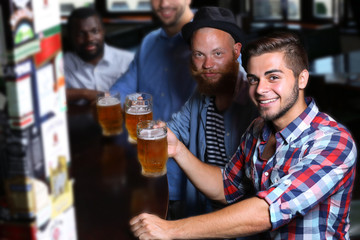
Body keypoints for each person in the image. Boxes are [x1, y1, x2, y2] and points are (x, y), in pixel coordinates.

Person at [129, 32, 357, 239]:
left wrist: (171, 229)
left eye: (273, 77)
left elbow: (268, 210)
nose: (259, 89)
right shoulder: (258, 129)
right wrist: (178, 150)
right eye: (253, 79)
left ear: (302, 79)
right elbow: (226, 187)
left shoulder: (333, 141)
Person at [166, 6, 257, 220]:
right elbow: (173, 131)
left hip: (239, 225)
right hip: (199, 212)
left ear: (236, 51)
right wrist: (147, 129)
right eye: (199, 54)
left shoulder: (258, 100)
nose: (208, 65)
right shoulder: (202, 94)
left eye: (217, 53)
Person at [109, 0, 196, 209]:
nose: (164, 3)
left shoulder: (208, 39)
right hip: (147, 170)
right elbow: (119, 93)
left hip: (194, 181)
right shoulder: (149, 42)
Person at [64, 7, 134, 104]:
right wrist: (85, 93)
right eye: (81, 34)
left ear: (103, 31)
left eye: (95, 31)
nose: (89, 39)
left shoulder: (128, 60)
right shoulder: (62, 64)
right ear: (71, 36)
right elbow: (50, 96)